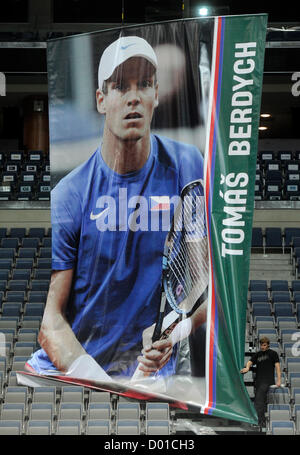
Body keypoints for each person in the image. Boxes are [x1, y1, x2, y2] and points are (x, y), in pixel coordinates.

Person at [25, 35, 206, 381]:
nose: (133, 96)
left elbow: (203, 290)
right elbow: (50, 323)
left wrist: (172, 331)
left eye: (144, 84)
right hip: (82, 369)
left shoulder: (187, 165)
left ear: (155, 95)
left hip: (152, 377)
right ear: (101, 100)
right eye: (121, 86)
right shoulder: (70, 195)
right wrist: (102, 383)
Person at [241, 336, 281, 427]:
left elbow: (278, 367)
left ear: (268, 345)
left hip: (268, 381)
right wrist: (247, 367)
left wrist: (279, 380)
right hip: (259, 382)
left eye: (264, 345)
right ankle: (261, 422)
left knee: (259, 402)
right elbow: (250, 362)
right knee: (260, 403)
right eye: (261, 345)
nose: (262, 347)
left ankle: (260, 422)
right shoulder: (258, 354)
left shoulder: (273, 354)